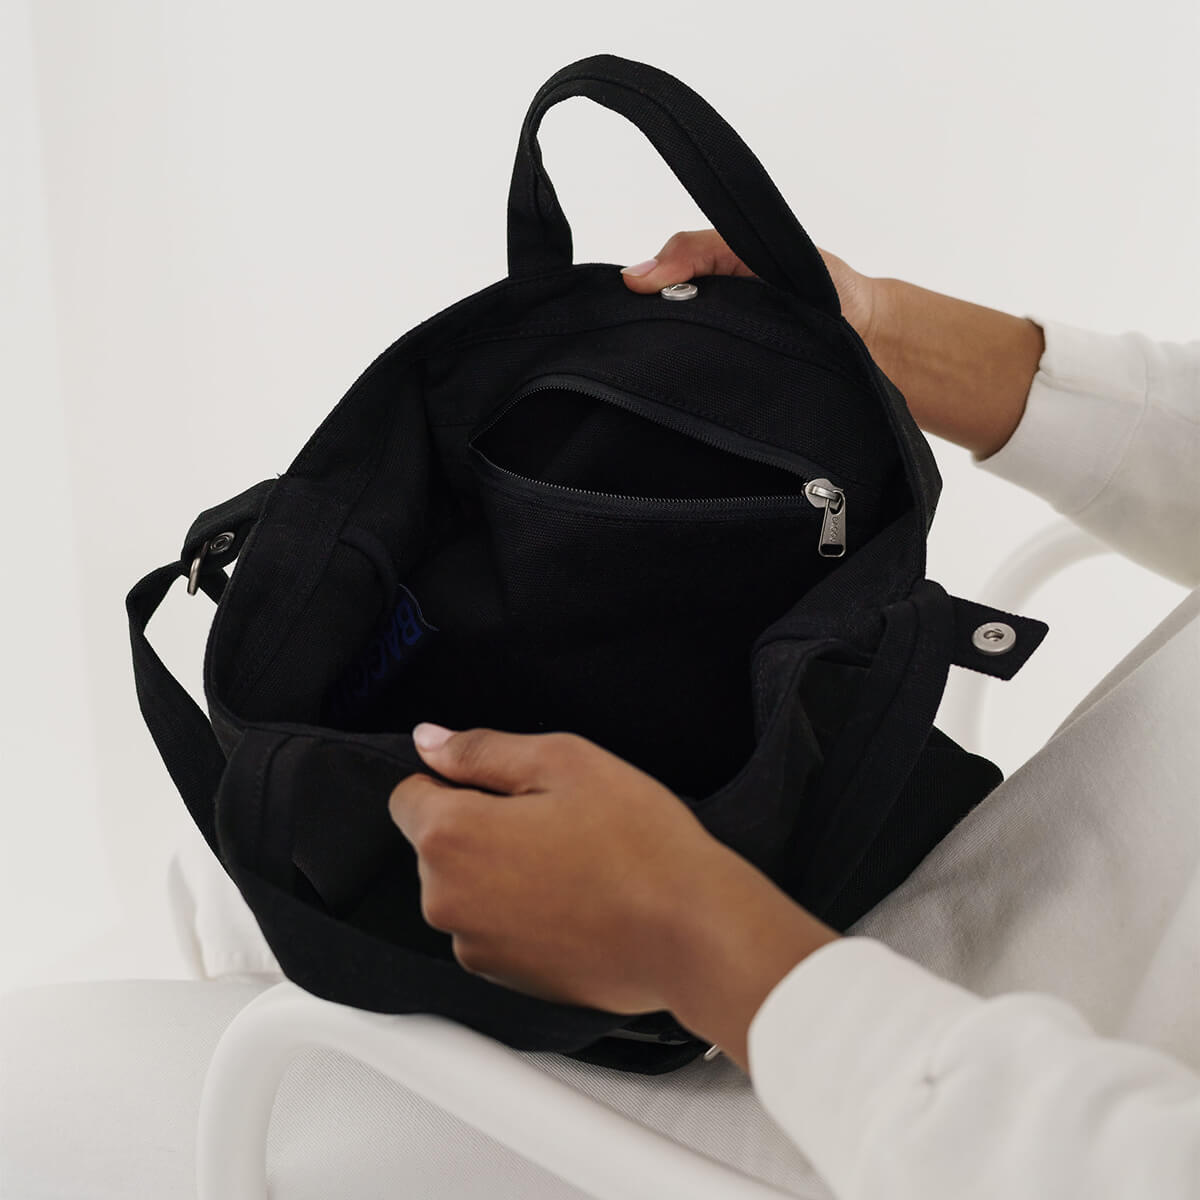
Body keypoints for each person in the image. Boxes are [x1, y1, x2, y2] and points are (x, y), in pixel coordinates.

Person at [387, 230, 1200, 1198]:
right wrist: (882, 329)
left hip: (859, 1119)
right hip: (910, 920)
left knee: (253, 1008)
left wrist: (698, 944)